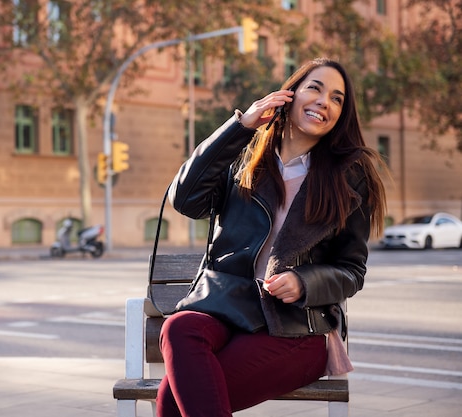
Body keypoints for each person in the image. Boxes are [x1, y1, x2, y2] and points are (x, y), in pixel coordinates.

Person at [158, 57, 388, 417]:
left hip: (298, 327)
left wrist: (304, 281)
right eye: (315, 88)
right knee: (179, 327)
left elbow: (351, 270)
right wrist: (240, 127)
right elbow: (185, 199)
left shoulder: (350, 177)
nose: (324, 101)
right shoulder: (243, 161)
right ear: (289, 95)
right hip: (228, 309)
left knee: (174, 401)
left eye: (337, 98)